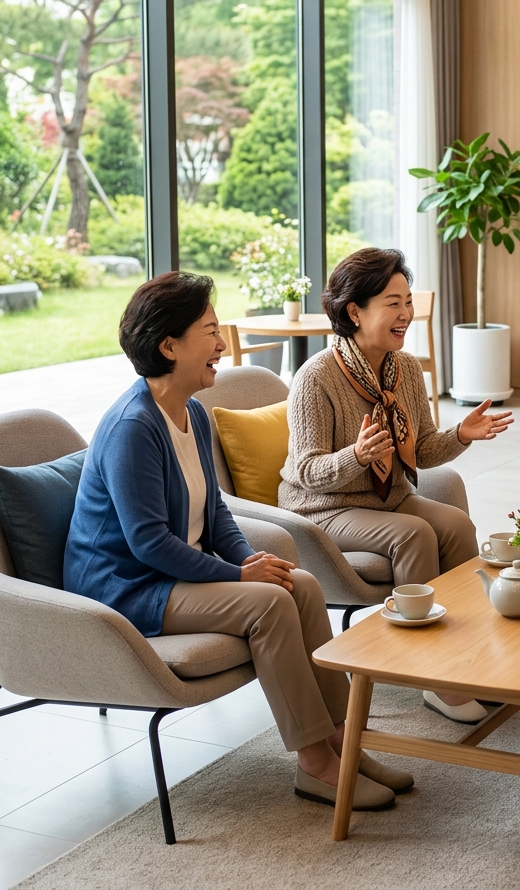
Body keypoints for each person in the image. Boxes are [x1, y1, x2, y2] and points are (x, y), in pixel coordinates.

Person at [64, 272, 410, 812]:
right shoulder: (133, 426)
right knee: (270, 603)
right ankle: (315, 765)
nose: (222, 344)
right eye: (209, 331)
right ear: (169, 345)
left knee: (301, 585)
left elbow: (214, 510)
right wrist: (237, 575)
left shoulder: (191, 412)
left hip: (173, 571)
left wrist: (250, 557)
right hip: (128, 585)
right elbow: (148, 543)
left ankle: (343, 743)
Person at [279, 247, 512, 725]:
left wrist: (461, 436)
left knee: (455, 524)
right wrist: (357, 456)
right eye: (392, 302)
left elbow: (421, 449)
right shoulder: (315, 377)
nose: (406, 313)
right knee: (414, 533)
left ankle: (470, 658)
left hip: (388, 499)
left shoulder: (403, 369)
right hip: (323, 507)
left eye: (407, 301)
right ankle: (428, 675)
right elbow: (305, 471)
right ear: (354, 311)